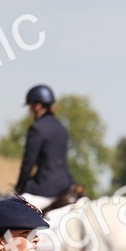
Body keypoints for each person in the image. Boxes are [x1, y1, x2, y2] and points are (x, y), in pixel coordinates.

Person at [15, 84, 80, 216]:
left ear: (38, 106)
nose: (30, 111)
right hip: (67, 184)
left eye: (31, 106)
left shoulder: (37, 128)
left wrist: (20, 187)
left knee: (11, 210)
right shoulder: (61, 126)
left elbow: (28, 163)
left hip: (46, 188)